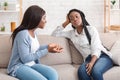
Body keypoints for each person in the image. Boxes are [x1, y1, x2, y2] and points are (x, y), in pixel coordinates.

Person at [52, 9, 113, 80]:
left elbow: (96, 48)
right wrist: (66, 22)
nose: (74, 19)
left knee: (95, 71)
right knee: (81, 72)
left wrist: (91, 63)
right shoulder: (71, 34)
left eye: (76, 16)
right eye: (71, 18)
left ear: (82, 17)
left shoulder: (91, 29)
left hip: (101, 56)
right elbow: (54, 34)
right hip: (88, 59)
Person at [7, 5, 63, 80]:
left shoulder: (34, 33)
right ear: (36, 19)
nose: (45, 21)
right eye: (44, 18)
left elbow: (35, 49)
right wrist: (47, 50)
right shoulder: (23, 34)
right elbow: (25, 58)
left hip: (31, 64)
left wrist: (48, 47)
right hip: (18, 66)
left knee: (53, 74)